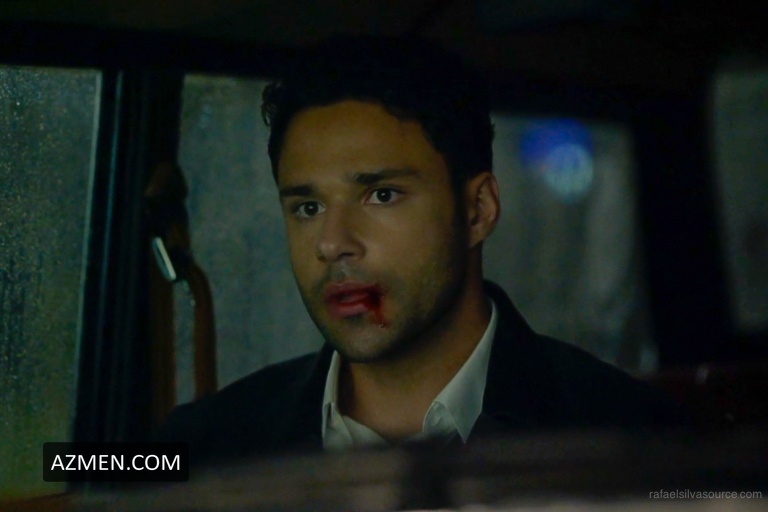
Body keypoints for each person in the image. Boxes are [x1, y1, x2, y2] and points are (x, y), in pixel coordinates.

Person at [159, 35, 687, 466]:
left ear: (477, 210)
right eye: (308, 207)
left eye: (382, 195)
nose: (332, 242)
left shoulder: (636, 441)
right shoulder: (202, 450)